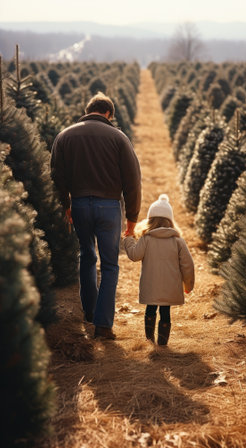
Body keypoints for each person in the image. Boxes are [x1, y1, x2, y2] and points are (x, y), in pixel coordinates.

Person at [50, 92, 141, 340]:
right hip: (109, 208)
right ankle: (103, 325)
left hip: (79, 204)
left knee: (87, 256)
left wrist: (65, 203)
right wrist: (132, 218)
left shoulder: (65, 135)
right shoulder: (119, 137)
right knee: (110, 265)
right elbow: (133, 181)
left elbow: (56, 174)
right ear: (109, 114)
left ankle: (89, 313)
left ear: (87, 109)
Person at [123, 194, 194, 346]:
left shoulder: (146, 239)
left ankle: (149, 340)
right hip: (170, 287)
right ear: (170, 221)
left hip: (151, 285)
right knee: (165, 313)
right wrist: (188, 285)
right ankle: (163, 344)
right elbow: (188, 265)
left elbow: (134, 256)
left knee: (150, 310)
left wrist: (128, 239)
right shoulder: (178, 241)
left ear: (150, 220)